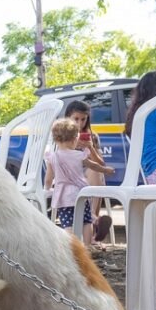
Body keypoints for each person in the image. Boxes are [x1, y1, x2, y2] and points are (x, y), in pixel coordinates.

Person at [45, 119, 114, 246]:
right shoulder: (79, 155)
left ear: (56, 140)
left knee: (68, 223)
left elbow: (49, 178)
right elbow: (94, 165)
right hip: (80, 194)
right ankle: (87, 247)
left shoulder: (52, 157)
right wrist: (106, 169)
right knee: (86, 221)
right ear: (73, 140)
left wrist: (47, 188)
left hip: (63, 196)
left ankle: (74, 249)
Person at [65, 100, 113, 243]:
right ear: (68, 118)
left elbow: (101, 163)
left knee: (96, 172)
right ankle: (94, 224)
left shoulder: (92, 136)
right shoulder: (61, 134)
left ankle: (92, 218)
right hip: (68, 174)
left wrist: (90, 147)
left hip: (87, 174)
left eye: (83, 119)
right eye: (76, 119)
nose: (80, 123)